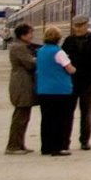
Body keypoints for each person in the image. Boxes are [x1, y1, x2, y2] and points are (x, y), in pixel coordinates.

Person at [62, 14, 91, 151]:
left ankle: (84, 141)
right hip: (71, 82)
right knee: (68, 113)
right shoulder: (68, 41)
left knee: (86, 114)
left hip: (88, 83)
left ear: (87, 25)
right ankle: (65, 141)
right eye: (76, 26)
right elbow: (62, 59)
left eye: (81, 26)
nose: (79, 28)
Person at [37, 26, 76, 156]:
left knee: (47, 120)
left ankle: (46, 147)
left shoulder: (40, 51)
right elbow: (70, 69)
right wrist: (74, 69)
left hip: (43, 90)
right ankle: (58, 147)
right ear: (58, 38)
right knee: (60, 120)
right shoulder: (58, 52)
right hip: (60, 91)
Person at [5, 23, 37, 154]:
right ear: (23, 35)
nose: (32, 35)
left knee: (24, 116)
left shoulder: (20, 46)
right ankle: (13, 146)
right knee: (20, 116)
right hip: (22, 84)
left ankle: (20, 144)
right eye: (30, 33)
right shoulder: (19, 48)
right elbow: (30, 64)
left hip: (23, 82)